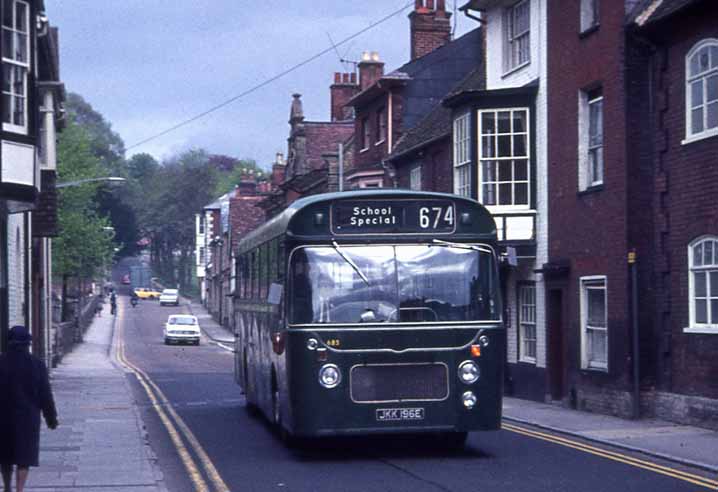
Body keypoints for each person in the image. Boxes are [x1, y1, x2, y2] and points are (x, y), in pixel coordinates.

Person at [0, 326, 58, 492]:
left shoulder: (1, 362)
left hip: (3, 417)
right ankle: (20, 489)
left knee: (5, 456)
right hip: (27, 418)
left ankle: (6, 487)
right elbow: (45, 395)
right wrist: (51, 418)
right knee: (23, 457)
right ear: (28, 343)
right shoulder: (37, 365)